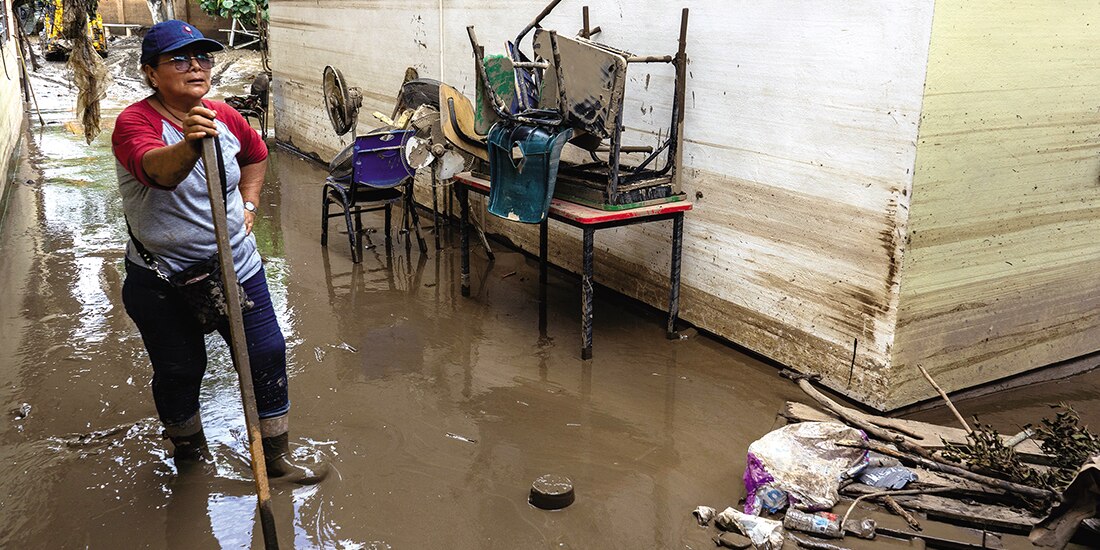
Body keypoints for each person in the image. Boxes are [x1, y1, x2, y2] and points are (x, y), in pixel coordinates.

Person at [112, 20, 325, 484]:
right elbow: (157, 172)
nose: (196, 67)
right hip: (163, 278)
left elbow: (257, 154)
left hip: (236, 266)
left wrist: (249, 205)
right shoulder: (135, 123)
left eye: (203, 57)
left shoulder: (224, 115)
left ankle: (275, 457)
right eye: (180, 59)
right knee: (181, 369)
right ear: (151, 73)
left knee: (266, 353)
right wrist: (190, 144)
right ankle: (190, 457)